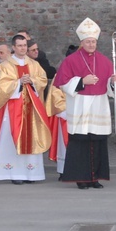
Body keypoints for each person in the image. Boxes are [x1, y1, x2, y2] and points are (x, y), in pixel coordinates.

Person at [54, 18, 116, 189]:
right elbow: (62, 83)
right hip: (80, 105)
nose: (91, 44)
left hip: (99, 105)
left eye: (93, 42)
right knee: (80, 143)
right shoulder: (71, 60)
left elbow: (110, 88)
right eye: (88, 42)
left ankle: (94, 178)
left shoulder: (105, 61)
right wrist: (82, 81)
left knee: (97, 142)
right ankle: (80, 179)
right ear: (81, 42)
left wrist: (113, 82)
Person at [0, 34, 51, 185]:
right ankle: (14, 173)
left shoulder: (34, 64)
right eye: (20, 46)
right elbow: (0, 87)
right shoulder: (5, 65)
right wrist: (18, 82)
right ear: (13, 47)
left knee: (31, 137)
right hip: (12, 109)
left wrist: (32, 80)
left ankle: (31, 174)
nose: (23, 48)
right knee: (11, 139)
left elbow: (43, 80)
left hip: (31, 109)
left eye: (25, 46)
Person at [45, 45, 78, 177]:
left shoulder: (86, 75)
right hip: (66, 115)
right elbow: (55, 94)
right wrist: (66, 110)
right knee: (64, 145)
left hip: (82, 114)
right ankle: (64, 171)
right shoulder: (60, 75)